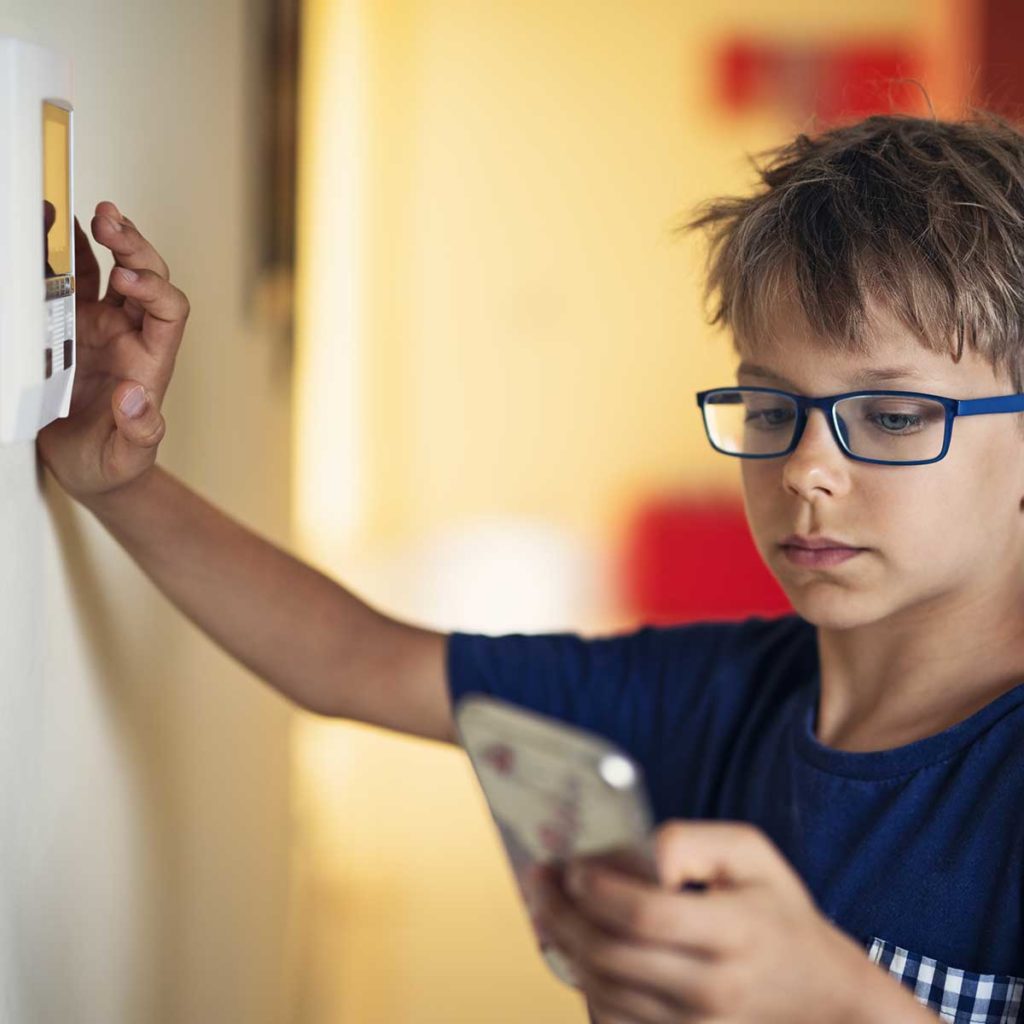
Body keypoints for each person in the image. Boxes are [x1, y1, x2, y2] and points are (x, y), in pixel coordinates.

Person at [37, 111, 1024, 1024]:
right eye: (770, 409)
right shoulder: (716, 697)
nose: (806, 466)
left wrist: (847, 1002)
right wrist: (121, 481)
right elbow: (351, 657)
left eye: (892, 416)